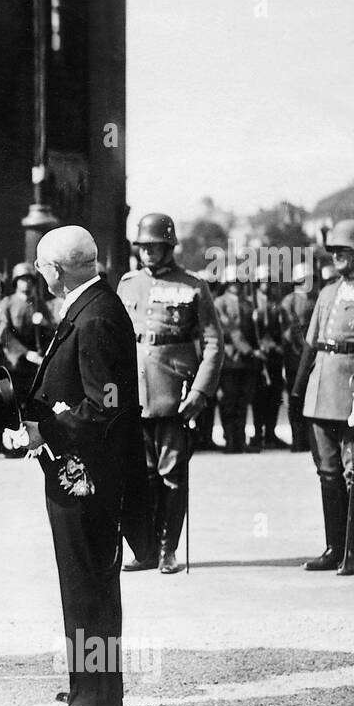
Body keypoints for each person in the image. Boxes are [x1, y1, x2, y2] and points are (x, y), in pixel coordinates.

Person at [5, 225, 144, 706]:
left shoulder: (95, 318)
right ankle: (92, 685)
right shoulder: (93, 306)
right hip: (81, 473)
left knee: (88, 587)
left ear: (54, 270)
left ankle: (95, 699)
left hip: (86, 478)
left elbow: (103, 406)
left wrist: (42, 431)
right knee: (88, 585)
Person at [117, 213, 223, 574]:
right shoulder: (128, 284)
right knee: (141, 475)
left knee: (172, 474)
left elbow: (212, 342)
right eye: (143, 247)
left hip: (175, 393)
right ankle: (145, 548)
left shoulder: (192, 286)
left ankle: (168, 549)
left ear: (169, 247)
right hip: (135, 392)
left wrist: (201, 391)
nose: (148, 253)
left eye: (155, 247)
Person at [293, 220, 354, 575]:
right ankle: (334, 547)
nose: (338, 257)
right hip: (323, 386)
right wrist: (299, 387)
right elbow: (312, 344)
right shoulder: (328, 291)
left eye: (344, 251)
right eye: (335, 251)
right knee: (328, 472)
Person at [215, 267, 263, 453]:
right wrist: (250, 351)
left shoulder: (249, 304)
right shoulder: (219, 303)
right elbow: (230, 329)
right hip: (228, 359)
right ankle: (230, 441)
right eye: (233, 281)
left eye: (239, 282)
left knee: (243, 402)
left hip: (246, 362)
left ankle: (240, 440)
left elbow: (256, 334)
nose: (237, 285)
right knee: (228, 401)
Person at [0, 261, 56, 408]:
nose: (27, 283)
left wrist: (44, 323)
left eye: (30, 279)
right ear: (16, 281)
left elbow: (52, 332)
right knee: (14, 403)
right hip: (15, 361)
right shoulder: (7, 303)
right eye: (23, 279)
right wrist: (25, 352)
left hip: (36, 361)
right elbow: (4, 334)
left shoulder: (39, 303)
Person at [281, 264, 318, 452]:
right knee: (296, 398)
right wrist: (306, 349)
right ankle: (299, 440)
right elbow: (292, 328)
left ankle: (305, 440)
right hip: (296, 356)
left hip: (307, 356)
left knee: (306, 398)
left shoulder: (312, 300)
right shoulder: (289, 301)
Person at [251, 268, 286, 449]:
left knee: (275, 395)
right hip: (257, 356)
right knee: (258, 397)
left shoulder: (275, 304)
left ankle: (271, 433)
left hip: (274, 356)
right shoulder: (251, 303)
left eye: (270, 282)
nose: (267, 285)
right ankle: (258, 434)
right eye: (264, 281)